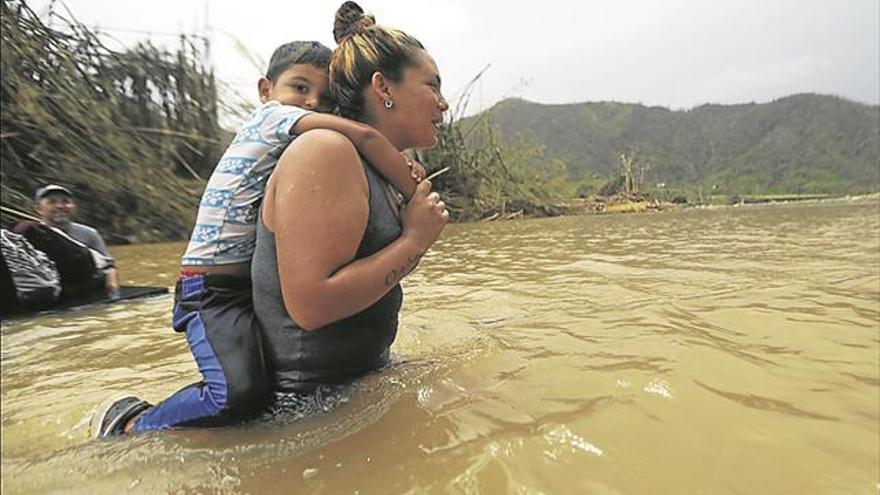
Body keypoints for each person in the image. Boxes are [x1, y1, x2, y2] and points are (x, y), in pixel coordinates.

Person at [92, 39, 429, 437]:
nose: (309, 103)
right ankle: (132, 423)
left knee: (256, 380)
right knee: (237, 393)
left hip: (237, 282)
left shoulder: (295, 147)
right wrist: (415, 193)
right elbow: (367, 137)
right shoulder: (273, 120)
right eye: (299, 88)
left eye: (322, 97)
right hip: (209, 286)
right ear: (266, 90)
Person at [251, 2, 448, 395]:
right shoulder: (326, 151)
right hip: (303, 411)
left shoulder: (380, 169)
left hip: (359, 384)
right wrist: (414, 241)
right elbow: (312, 307)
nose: (443, 102)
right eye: (432, 85)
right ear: (383, 87)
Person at [20, 184, 118, 299]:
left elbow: (109, 265)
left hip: (85, 287)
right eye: (52, 202)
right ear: (38, 209)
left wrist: (113, 288)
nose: (60, 206)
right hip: (49, 291)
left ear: (73, 207)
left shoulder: (89, 233)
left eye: (65, 202)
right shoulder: (29, 234)